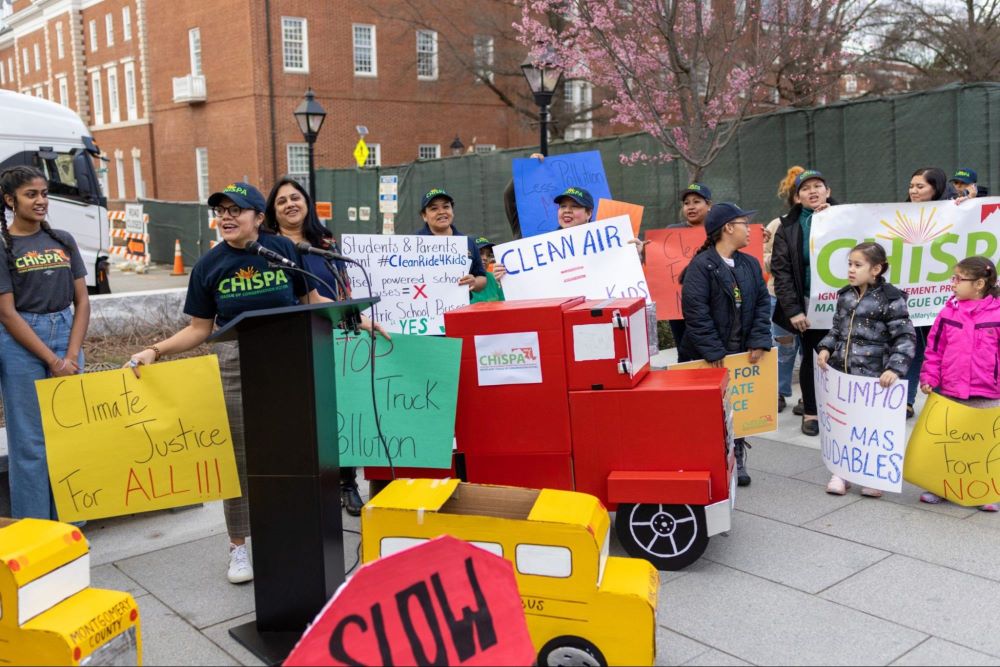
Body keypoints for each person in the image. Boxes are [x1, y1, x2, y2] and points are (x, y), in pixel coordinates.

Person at [125, 182, 382, 584]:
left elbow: (310, 303)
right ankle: (239, 547)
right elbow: (198, 329)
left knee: (296, 454)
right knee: (241, 459)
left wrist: (358, 319)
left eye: (236, 210)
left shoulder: (283, 250)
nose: (226, 217)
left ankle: (293, 533)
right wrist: (154, 351)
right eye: (221, 211)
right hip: (235, 364)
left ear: (259, 219)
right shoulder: (209, 266)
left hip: (289, 360)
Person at [263, 176, 364, 516]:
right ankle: (310, 487)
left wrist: (351, 313)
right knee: (304, 418)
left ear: (307, 203)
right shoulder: (267, 247)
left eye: (296, 197)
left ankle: (347, 483)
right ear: (272, 212)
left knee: (342, 412)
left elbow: (341, 287)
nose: (290, 204)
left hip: (333, 335)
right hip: (290, 341)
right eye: (281, 201)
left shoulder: (324, 241)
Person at [0, 166, 90, 520]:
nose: (41, 201)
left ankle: (72, 526)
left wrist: (69, 355)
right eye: (30, 195)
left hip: (66, 334)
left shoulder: (63, 240)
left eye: (43, 193)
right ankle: (37, 531)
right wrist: (52, 362)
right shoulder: (4, 246)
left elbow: (82, 301)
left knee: (70, 435)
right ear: (10, 200)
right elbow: (6, 313)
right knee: (31, 444)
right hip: (21, 341)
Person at [679, 203, 772, 487]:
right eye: (745, 223)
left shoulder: (750, 264)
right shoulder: (701, 266)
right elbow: (695, 312)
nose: (750, 229)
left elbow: (761, 303)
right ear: (728, 228)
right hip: (707, 355)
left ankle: (737, 454)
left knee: (739, 409)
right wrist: (713, 350)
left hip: (741, 351)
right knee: (707, 412)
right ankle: (708, 459)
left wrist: (758, 339)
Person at [816, 242, 916, 497]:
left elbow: (905, 337)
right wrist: (827, 347)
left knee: (872, 428)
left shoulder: (892, 299)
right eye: (849, 264)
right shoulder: (845, 296)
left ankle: (874, 476)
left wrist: (895, 368)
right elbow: (837, 329)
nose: (851, 269)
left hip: (875, 378)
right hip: (845, 375)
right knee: (845, 423)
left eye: (857, 265)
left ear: (876, 269)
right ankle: (842, 472)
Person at [918, 256, 1000, 511]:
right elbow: (934, 350)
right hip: (951, 391)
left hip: (987, 391)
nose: (952, 283)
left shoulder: (997, 314)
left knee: (985, 445)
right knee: (947, 442)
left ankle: (986, 490)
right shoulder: (947, 313)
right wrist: (930, 377)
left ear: (978, 284)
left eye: (958, 279)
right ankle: (940, 485)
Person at [770, 169, 836, 436]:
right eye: (805, 188)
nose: (813, 191)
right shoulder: (788, 227)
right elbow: (781, 271)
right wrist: (794, 309)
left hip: (841, 304)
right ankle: (811, 411)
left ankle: (838, 408)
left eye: (818, 185)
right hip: (809, 303)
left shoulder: (846, 217)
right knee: (812, 357)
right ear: (797, 197)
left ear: (827, 191)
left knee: (839, 358)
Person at [903, 167, 954, 418]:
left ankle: (944, 401)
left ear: (936, 188)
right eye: (911, 185)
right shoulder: (898, 214)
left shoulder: (956, 212)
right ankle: (908, 401)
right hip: (912, 300)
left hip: (944, 300)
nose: (913, 190)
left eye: (920, 186)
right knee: (913, 350)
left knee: (942, 351)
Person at [764, 168, 804, 413]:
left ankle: (810, 395)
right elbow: (764, 255)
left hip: (816, 300)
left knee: (812, 351)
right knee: (782, 346)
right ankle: (778, 391)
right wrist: (781, 260)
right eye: (801, 192)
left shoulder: (830, 222)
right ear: (794, 198)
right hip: (779, 296)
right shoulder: (778, 224)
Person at [667, 183, 713, 361]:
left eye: (696, 201)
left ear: (709, 205)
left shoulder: (721, 230)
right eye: (686, 203)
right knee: (685, 354)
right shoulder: (671, 232)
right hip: (679, 306)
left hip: (710, 305)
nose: (691, 207)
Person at [417, 188, 487, 294]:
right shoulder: (412, 243)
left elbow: (481, 277)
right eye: (434, 208)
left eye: (446, 207)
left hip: (460, 307)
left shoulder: (467, 242)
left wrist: (474, 282)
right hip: (422, 308)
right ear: (424, 216)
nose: (441, 212)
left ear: (452, 211)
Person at [470, 237, 505, 304]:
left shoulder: (494, 278)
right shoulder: (461, 280)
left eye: (488, 255)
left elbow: (503, 305)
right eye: (480, 253)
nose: (485, 258)